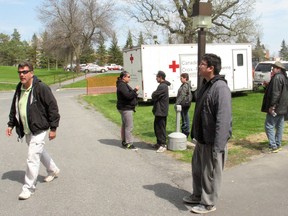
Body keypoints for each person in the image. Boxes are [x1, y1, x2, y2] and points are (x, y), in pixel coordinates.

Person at [183, 54, 232, 214]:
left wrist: (218, 146)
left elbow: (223, 119)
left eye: (202, 64)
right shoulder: (206, 84)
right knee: (198, 169)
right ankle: (198, 195)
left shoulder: (220, 88)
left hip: (213, 141)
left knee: (210, 173)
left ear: (211, 68)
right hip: (202, 139)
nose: (199, 66)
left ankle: (208, 203)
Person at [6, 62, 60, 200]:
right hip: (27, 129)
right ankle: (53, 170)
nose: (22, 75)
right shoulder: (19, 88)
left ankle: (28, 188)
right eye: (19, 72)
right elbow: (15, 107)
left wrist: (53, 128)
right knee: (39, 152)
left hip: (39, 128)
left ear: (32, 73)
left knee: (32, 157)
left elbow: (52, 108)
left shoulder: (41, 88)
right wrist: (11, 124)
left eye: (24, 72)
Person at [261, 61, 288, 153]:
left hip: (276, 107)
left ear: (278, 69)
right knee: (280, 126)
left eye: (274, 68)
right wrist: (267, 86)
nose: (272, 70)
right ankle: (278, 144)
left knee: (269, 125)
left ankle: (273, 146)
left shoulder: (277, 78)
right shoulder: (284, 77)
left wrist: (272, 106)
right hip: (283, 107)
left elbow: (276, 93)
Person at [116, 71, 139, 150]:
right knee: (129, 126)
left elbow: (128, 94)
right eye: (128, 77)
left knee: (125, 125)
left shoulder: (122, 84)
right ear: (123, 77)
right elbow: (128, 96)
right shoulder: (122, 85)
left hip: (124, 107)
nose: (129, 78)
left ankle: (124, 141)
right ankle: (129, 143)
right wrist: (135, 90)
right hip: (125, 108)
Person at [151, 71, 171, 153]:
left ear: (161, 77)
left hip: (161, 110)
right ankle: (159, 143)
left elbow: (154, 95)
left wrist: (153, 94)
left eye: (157, 77)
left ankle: (163, 144)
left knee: (161, 128)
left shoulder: (163, 86)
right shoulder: (161, 85)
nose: (156, 78)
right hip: (159, 110)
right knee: (157, 127)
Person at [175, 73, 192, 137]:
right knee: (185, 117)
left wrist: (177, 103)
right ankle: (185, 130)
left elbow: (182, 95)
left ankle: (185, 131)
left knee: (185, 118)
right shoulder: (186, 85)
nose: (180, 79)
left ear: (185, 78)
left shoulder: (185, 85)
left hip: (184, 104)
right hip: (186, 104)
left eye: (181, 78)